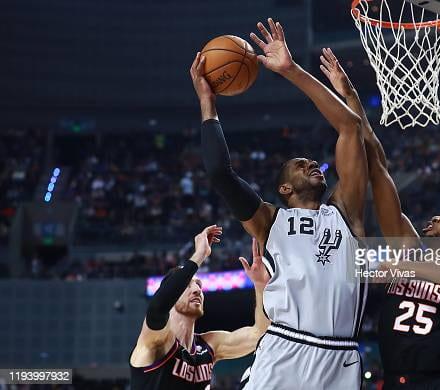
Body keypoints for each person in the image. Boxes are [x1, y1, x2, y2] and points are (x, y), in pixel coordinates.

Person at [190, 18, 368, 389]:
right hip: (285, 347)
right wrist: (208, 104)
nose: (312, 164)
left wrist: (291, 70)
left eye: (314, 162)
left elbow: (351, 128)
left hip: (341, 358)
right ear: (285, 189)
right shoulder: (271, 220)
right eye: (300, 165)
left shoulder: (345, 211)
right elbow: (221, 174)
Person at [320, 47, 440, 390]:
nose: (439, 216)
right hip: (395, 382)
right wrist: (351, 97)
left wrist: (402, 268)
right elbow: (378, 166)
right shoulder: (409, 247)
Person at [129, 226, 270, 390]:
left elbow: (260, 335)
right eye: (187, 286)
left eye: (198, 286)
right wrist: (199, 255)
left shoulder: (209, 345)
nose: (197, 290)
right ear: (172, 293)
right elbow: (157, 308)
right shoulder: (157, 341)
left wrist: (260, 287)